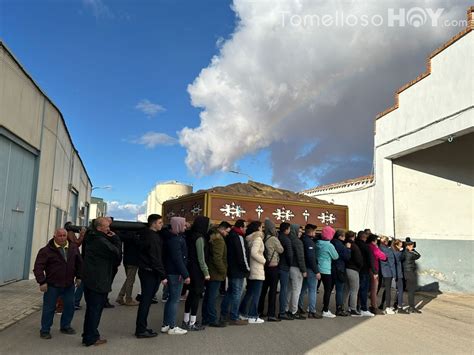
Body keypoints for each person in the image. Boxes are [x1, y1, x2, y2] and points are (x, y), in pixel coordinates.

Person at [33, 228, 82, 339]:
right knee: (49, 308)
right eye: (59, 235)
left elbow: (79, 263)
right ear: (54, 236)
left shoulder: (73, 248)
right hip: (52, 285)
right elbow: (38, 268)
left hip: (68, 285)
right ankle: (45, 330)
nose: (62, 238)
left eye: (64, 235)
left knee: (69, 306)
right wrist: (42, 282)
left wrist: (79, 277)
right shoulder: (46, 251)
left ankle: (65, 326)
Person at [81, 217, 122, 346]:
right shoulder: (100, 241)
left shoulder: (91, 237)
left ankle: (88, 335)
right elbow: (117, 254)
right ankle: (91, 337)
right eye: (106, 226)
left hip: (91, 279)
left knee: (91, 310)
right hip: (98, 280)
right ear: (99, 228)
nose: (109, 228)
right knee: (95, 310)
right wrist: (115, 238)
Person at [135, 214, 167, 338]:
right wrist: (162, 275)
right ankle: (141, 329)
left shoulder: (145, 234)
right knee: (146, 301)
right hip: (150, 272)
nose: (161, 225)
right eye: (159, 222)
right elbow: (155, 258)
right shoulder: (152, 238)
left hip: (146, 270)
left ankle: (141, 327)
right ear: (153, 224)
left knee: (146, 300)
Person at [161, 217, 190, 335]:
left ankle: (166, 324)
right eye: (183, 225)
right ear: (178, 226)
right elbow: (178, 259)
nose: (185, 227)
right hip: (176, 273)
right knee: (174, 300)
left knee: (171, 300)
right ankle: (172, 326)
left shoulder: (171, 238)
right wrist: (185, 274)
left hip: (171, 272)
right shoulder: (176, 240)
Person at [183, 216, 212, 330]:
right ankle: (192, 322)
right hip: (197, 271)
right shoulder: (200, 238)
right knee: (196, 295)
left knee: (190, 294)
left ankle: (186, 320)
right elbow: (201, 258)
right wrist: (206, 272)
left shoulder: (191, 235)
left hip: (190, 268)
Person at [220, 219, 249, 326]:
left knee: (230, 291)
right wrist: (247, 268)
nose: (246, 229)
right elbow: (242, 255)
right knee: (237, 293)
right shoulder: (238, 237)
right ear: (241, 227)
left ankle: (224, 314)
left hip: (231, 269)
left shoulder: (230, 236)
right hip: (238, 270)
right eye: (245, 227)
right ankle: (234, 316)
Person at [202, 221, 231, 327]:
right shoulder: (218, 239)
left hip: (212, 271)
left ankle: (206, 318)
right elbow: (217, 258)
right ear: (223, 229)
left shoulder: (212, 235)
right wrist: (223, 271)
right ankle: (212, 319)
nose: (227, 234)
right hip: (216, 272)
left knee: (208, 296)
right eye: (227, 231)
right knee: (212, 297)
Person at [238, 221, 266, 324]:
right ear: (258, 228)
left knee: (249, 293)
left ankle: (242, 313)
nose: (262, 229)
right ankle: (253, 316)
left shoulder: (249, 238)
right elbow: (254, 253)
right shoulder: (258, 238)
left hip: (252, 268)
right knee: (256, 294)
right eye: (261, 227)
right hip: (257, 269)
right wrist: (263, 260)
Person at [258, 219, 284, 322]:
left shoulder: (263, 238)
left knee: (263, 290)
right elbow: (281, 250)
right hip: (273, 267)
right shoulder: (274, 239)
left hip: (265, 266)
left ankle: (259, 311)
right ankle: (271, 314)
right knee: (272, 291)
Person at [298, 224, 321, 319]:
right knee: (312, 290)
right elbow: (311, 258)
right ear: (311, 232)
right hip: (311, 269)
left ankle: (299, 307)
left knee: (303, 289)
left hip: (304, 268)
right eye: (315, 232)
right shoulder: (309, 242)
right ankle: (312, 311)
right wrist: (316, 271)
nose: (315, 233)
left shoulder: (302, 240)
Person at [315, 226, 339, 318]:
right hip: (326, 269)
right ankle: (325, 309)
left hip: (317, 268)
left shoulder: (317, 243)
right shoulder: (329, 245)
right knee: (328, 290)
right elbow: (335, 256)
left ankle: (311, 307)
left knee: (313, 289)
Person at [64, 222, 86, 311]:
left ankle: (71, 302)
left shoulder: (69, 233)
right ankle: (73, 302)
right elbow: (76, 243)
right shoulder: (70, 233)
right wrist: (82, 235)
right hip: (72, 257)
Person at [286, 224, 307, 320]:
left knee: (289, 290)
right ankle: (294, 311)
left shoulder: (288, 239)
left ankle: (286, 309)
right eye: (299, 231)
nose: (301, 233)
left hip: (289, 268)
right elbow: (300, 257)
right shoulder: (297, 242)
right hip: (297, 268)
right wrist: (304, 270)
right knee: (296, 290)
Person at [116, 230, 140, 306]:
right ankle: (128, 299)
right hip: (134, 261)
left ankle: (120, 296)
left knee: (129, 279)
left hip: (126, 260)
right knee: (130, 281)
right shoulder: (135, 236)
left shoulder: (125, 235)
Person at [331, 229, 351, 317]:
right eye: (344, 236)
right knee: (339, 290)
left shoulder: (332, 242)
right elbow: (346, 257)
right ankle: (339, 309)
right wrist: (348, 248)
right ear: (340, 236)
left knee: (329, 289)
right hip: (339, 268)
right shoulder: (340, 245)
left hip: (331, 268)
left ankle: (326, 307)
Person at [355, 231, 374, 317]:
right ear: (364, 238)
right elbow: (370, 259)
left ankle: (355, 307)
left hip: (356, 269)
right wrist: (374, 270)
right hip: (364, 270)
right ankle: (363, 308)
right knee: (364, 289)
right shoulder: (366, 247)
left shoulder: (354, 244)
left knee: (356, 290)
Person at [344, 231, 363, 317]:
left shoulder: (345, 244)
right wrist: (360, 266)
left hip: (346, 268)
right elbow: (358, 259)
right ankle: (353, 309)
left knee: (346, 289)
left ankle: (342, 307)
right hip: (353, 269)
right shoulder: (354, 246)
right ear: (353, 237)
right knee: (354, 290)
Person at [367, 234, 387, 315]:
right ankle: (374, 307)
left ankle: (360, 306)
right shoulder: (373, 247)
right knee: (374, 289)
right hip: (373, 269)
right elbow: (383, 256)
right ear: (374, 241)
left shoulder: (367, 246)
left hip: (365, 269)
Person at [277, 222, 293, 320]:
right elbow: (290, 255)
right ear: (286, 229)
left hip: (276, 265)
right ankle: (282, 312)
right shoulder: (287, 240)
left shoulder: (278, 237)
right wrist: (290, 264)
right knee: (284, 289)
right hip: (284, 267)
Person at [401, 239, 421, 314]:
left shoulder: (404, 252)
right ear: (408, 246)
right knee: (411, 291)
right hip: (410, 273)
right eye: (412, 245)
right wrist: (413, 250)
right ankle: (411, 307)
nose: (413, 247)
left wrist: (410, 249)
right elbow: (418, 255)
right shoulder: (410, 254)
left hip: (405, 272)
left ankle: (398, 305)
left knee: (405, 290)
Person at [379, 236, 397, 315]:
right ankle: (388, 308)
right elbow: (392, 264)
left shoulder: (379, 248)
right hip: (388, 272)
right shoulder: (388, 251)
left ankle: (382, 305)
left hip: (382, 271)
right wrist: (395, 274)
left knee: (386, 289)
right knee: (388, 290)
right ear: (386, 242)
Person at [391, 239, 407, 313]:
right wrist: (403, 250)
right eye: (400, 245)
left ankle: (396, 303)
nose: (402, 246)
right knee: (400, 290)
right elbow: (403, 256)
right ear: (396, 245)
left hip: (396, 273)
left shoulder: (392, 252)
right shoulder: (398, 253)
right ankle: (400, 307)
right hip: (399, 274)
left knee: (398, 290)